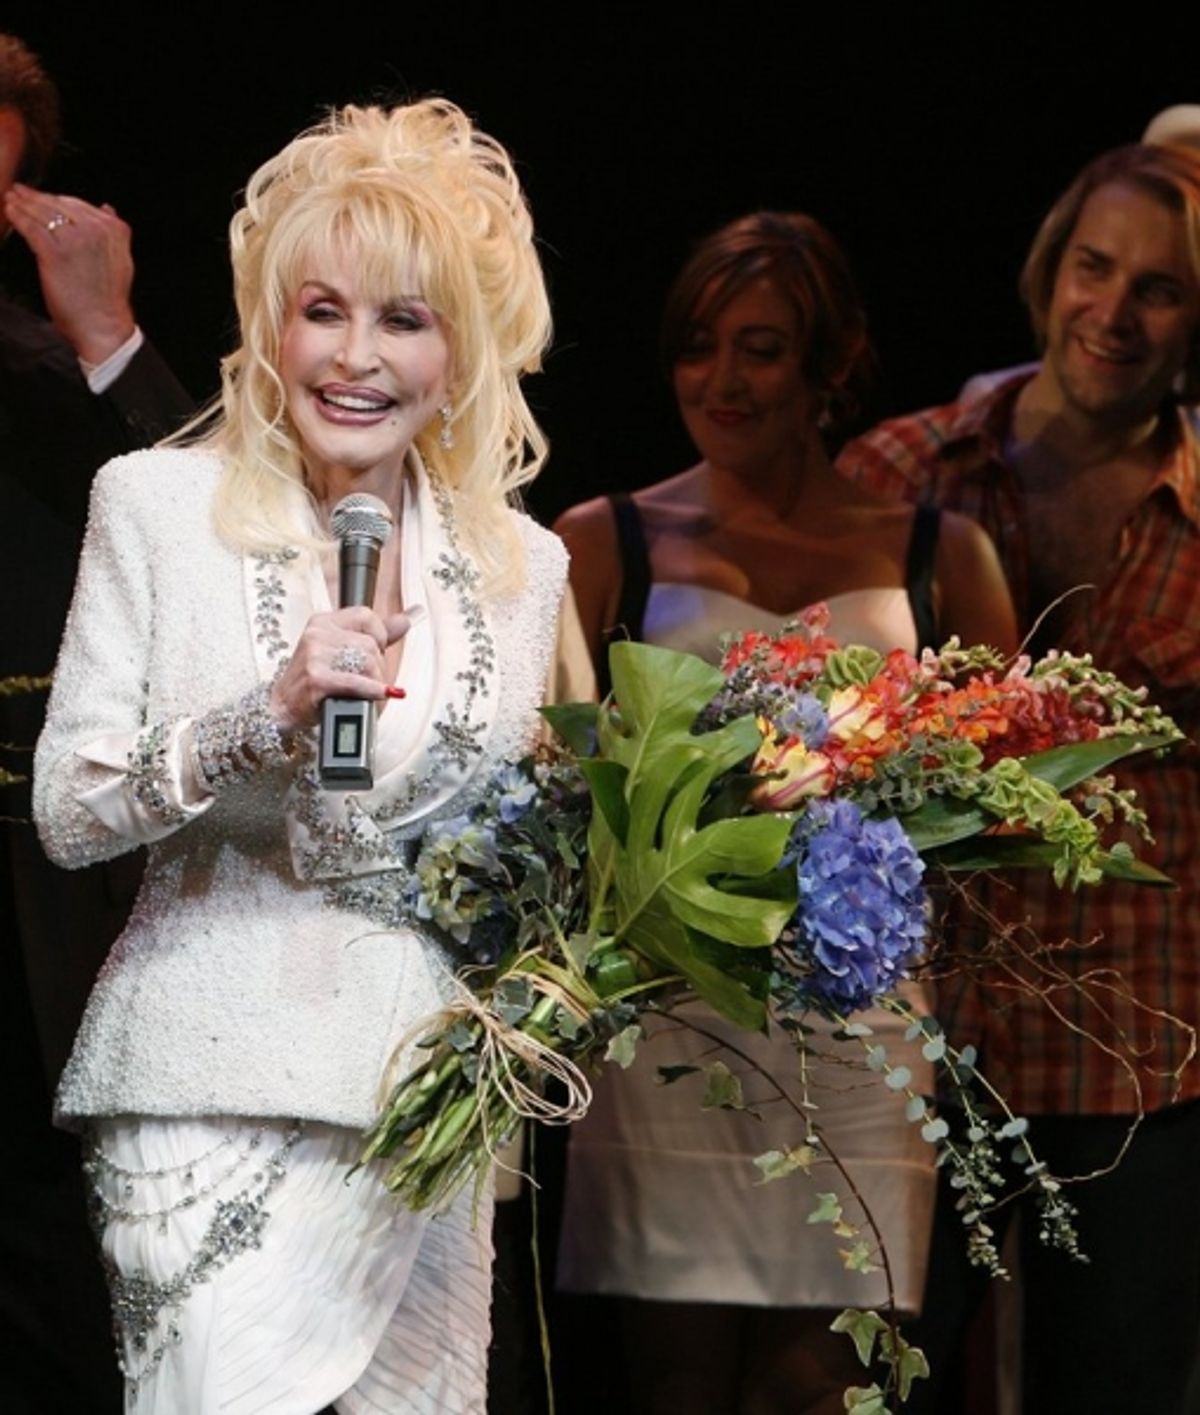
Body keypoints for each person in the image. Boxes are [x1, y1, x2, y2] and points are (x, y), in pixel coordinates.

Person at [33, 97, 565, 1413]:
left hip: (426, 1103)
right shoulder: (156, 506)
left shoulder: (522, 564)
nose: (356, 357)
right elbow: (68, 808)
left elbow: (510, 847)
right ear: (272, 325)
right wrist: (258, 713)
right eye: (321, 309)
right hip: (205, 1078)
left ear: (462, 348)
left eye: (404, 318)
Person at [552, 211, 1017, 1415]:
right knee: (673, 1387)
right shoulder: (605, 544)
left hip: (864, 1037)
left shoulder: (938, 552)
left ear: (834, 361)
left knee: (829, 1388)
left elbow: (1005, 798)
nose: (720, 379)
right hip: (674, 1035)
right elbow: (556, 783)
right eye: (696, 345)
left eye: (760, 348)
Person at [837, 142, 1200, 1415]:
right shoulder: (903, 473)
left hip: (1143, 1058)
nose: (1115, 309)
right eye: (1094, 267)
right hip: (923, 1040)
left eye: (1161, 287)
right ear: (1050, 272)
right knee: (884, 1385)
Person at [0, 33, 192, 1412]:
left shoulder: (52, 379)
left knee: (55, 1300)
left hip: (28, 916)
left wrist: (107, 333)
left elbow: (222, 560)